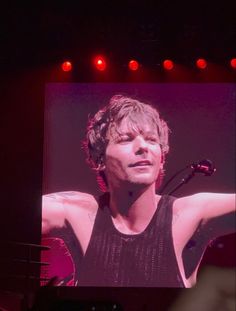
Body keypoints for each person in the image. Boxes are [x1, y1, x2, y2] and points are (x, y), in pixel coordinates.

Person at [42, 94, 235, 287]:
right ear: (100, 159)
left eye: (151, 140)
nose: (143, 147)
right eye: (126, 139)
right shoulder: (78, 212)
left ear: (161, 159)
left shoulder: (190, 213)